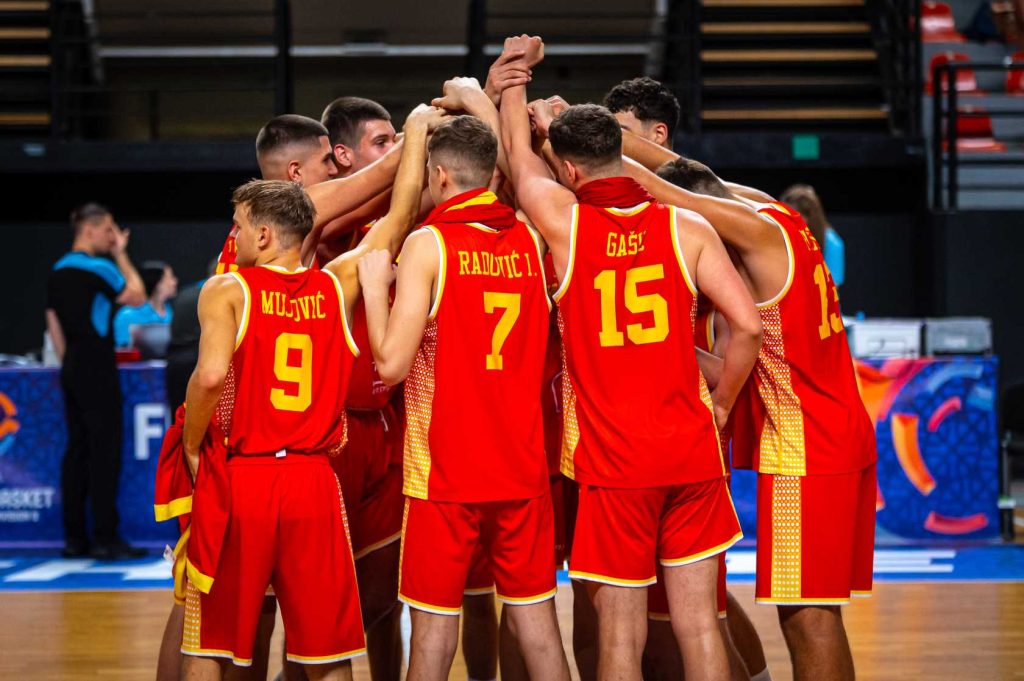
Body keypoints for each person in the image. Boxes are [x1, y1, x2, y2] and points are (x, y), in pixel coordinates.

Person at [496, 35, 763, 681]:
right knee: (700, 625)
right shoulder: (687, 228)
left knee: (620, 636)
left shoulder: (565, 225)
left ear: (569, 170)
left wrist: (514, 77)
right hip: (690, 451)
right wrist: (721, 403)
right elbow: (749, 326)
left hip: (616, 463)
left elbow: (516, 159)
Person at [178, 104, 444, 681]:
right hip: (316, 482)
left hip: (248, 475)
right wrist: (420, 133)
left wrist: (193, 445)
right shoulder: (334, 285)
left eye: (240, 226)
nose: (235, 236)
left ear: (264, 233)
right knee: (326, 649)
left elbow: (208, 378)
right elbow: (399, 217)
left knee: (211, 639)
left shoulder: (228, 289)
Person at [622, 133, 877, 681]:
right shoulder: (778, 215)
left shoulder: (753, 233)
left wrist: (578, 141)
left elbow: (665, 189)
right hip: (834, 427)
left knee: (808, 617)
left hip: (806, 445)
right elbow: (683, 170)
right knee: (812, 610)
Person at [357, 105, 571, 681]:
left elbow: (391, 365)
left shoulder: (429, 244)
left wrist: (375, 289)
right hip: (522, 468)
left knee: (432, 633)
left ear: (439, 175)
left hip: (445, 474)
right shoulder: (531, 237)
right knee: (539, 628)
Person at [603, 77, 771, 681]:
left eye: (621, 134)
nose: (614, 148)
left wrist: (715, 396)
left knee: (683, 615)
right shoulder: (676, 210)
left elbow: (740, 340)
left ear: (656, 135)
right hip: (657, 430)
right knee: (697, 609)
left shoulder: (698, 214)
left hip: (685, 428)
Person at [46, 203, 147, 560]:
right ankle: (106, 538)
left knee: (77, 451)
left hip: (72, 365)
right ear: (89, 229)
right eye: (108, 230)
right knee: (104, 452)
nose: (112, 236)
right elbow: (137, 295)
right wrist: (121, 254)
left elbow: (53, 325)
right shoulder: (100, 267)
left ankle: (75, 539)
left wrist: (69, 364)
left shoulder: (57, 270)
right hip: (97, 365)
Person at [779, 184, 845, 288]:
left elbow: (831, 287)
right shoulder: (782, 237)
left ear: (809, 217)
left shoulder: (832, 243)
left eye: (793, 216)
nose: (787, 221)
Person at [114, 261, 178, 348]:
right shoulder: (127, 316)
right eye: (170, 277)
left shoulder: (172, 313)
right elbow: (123, 349)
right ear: (158, 283)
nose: (174, 282)